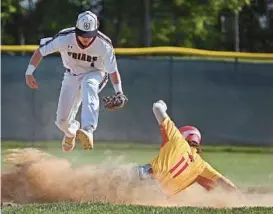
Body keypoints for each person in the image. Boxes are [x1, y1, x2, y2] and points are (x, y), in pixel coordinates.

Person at [24, 11, 128, 152]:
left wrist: (119, 92)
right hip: (72, 75)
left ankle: (88, 129)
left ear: (95, 32)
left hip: (96, 73)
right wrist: (29, 72)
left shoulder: (104, 44)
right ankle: (71, 132)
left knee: (88, 84)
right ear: (76, 30)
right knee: (61, 121)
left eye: (89, 35)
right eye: (82, 34)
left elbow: (113, 71)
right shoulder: (64, 38)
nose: (85, 39)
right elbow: (40, 52)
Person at [136, 100, 237, 196]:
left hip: (141, 183)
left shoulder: (177, 139)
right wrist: (241, 197)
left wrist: (162, 105)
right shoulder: (201, 166)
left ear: (183, 135)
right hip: (157, 197)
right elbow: (227, 185)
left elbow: (157, 108)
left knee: (129, 171)